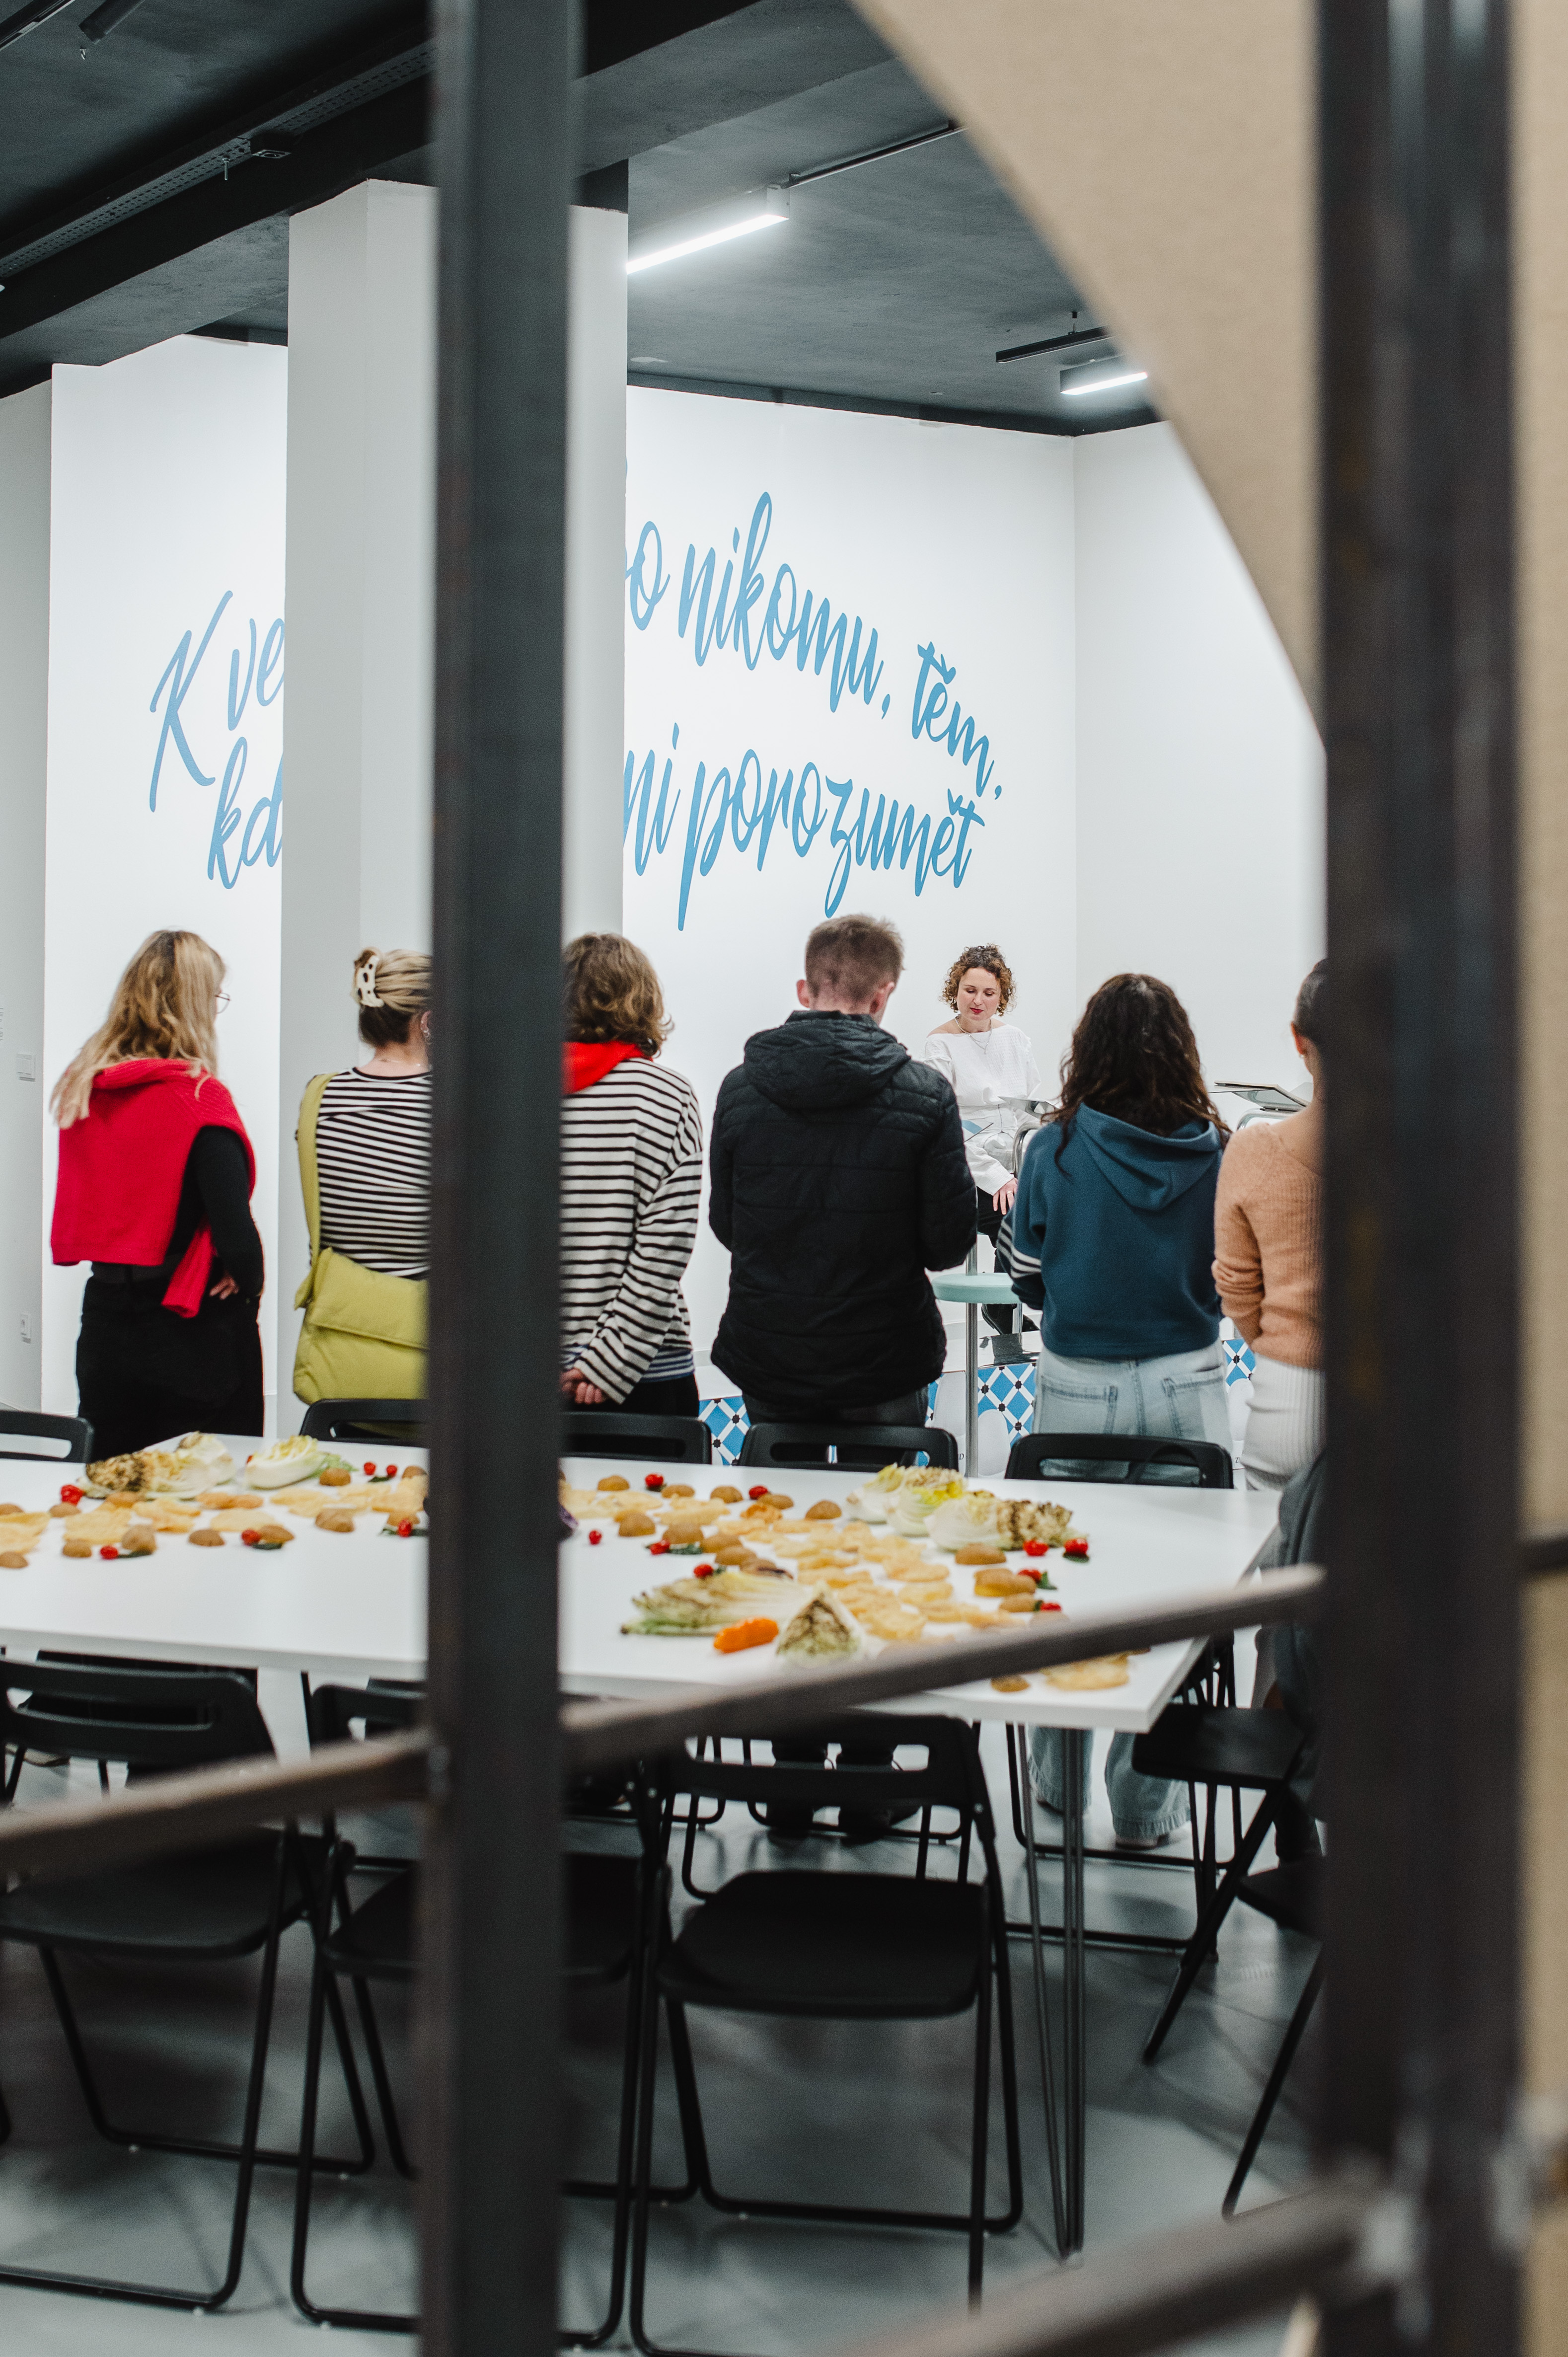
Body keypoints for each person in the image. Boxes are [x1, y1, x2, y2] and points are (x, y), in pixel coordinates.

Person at [1005, 972, 1230, 1848]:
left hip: (1077, 1382)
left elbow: (1026, 1271)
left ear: (1086, 1047)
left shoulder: (1051, 1149)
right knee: (1180, 1599)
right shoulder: (1219, 1150)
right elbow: (1232, 1271)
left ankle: (1058, 1786)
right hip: (1187, 1379)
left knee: (1068, 1590)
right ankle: (1145, 1810)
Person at [709, 912, 975, 1427]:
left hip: (771, 1348)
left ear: (804, 990)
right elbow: (947, 1245)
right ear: (882, 996)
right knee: (885, 1486)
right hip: (885, 1354)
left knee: (777, 1483)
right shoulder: (926, 1096)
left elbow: (727, 1225)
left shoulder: (741, 1089)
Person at [50, 930, 263, 1459]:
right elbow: (238, 1238)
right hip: (190, 1329)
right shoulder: (198, 1098)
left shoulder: (84, 1090)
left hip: (105, 1323)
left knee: (115, 1482)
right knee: (210, 1487)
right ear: (194, 1003)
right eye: (214, 996)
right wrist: (246, 1278)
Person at [559, 934, 703, 1418]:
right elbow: (665, 1249)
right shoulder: (668, 1097)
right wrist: (609, 1362)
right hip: (647, 1369)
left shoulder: (510, 1096)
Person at [293, 949, 432, 1404]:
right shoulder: (455, 1101)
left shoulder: (320, 1096)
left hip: (340, 1349)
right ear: (428, 1022)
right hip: (437, 1350)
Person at [1213, 961, 1326, 1492]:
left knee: (1276, 1544)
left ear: (1298, 1039)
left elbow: (1236, 1284)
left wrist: (1282, 1346)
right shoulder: (1438, 1152)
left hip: (1288, 1399)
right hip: (1408, 1402)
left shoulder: (1255, 1147)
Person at [921, 943, 1043, 1348]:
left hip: (1016, 1156)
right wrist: (995, 1176)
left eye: (988, 993)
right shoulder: (939, 1044)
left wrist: (1032, 1163)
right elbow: (946, 1125)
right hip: (965, 1166)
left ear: (1001, 996)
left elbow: (1031, 1108)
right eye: (969, 990)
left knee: (1056, 1204)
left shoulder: (1015, 1039)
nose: (978, 1001)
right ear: (955, 990)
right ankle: (1003, 1304)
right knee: (1017, 1213)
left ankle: (1021, 1305)